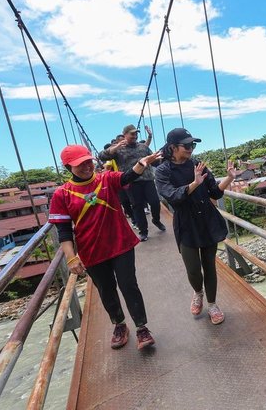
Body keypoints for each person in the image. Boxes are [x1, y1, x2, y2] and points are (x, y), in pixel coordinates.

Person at [48, 145, 162, 349]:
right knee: (106, 290)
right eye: (79, 164)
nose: (86, 166)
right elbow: (64, 231)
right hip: (92, 250)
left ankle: (141, 327)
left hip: (121, 243)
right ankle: (119, 325)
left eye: (88, 161)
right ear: (68, 167)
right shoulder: (61, 194)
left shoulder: (105, 179)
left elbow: (127, 177)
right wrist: (71, 258)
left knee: (129, 285)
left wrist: (141, 164)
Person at [154, 128, 235, 324]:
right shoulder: (163, 171)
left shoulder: (198, 165)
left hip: (207, 220)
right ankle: (198, 292)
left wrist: (230, 177)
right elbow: (172, 196)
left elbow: (215, 193)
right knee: (193, 269)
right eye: (187, 145)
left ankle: (213, 304)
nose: (191, 148)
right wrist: (194, 184)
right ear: (173, 147)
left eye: (193, 145)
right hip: (186, 223)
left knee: (209, 266)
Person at [100, 124, 165, 241]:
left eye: (136, 134)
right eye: (132, 134)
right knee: (137, 207)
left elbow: (153, 160)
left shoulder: (143, 147)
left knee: (155, 202)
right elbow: (102, 156)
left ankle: (156, 220)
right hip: (131, 182)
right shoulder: (118, 150)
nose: (135, 136)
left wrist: (163, 161)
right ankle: (143, 231)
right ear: (125, 135)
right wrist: (116, 147)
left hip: (147, 179)